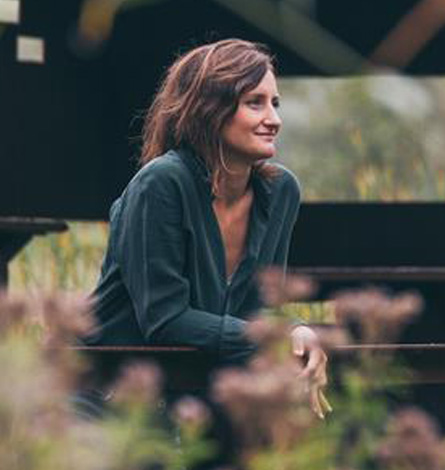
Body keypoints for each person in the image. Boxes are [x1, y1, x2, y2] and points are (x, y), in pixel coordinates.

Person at [84, 38, 328, 416]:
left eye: (275, 103)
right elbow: (166, 319)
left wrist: (296, 330)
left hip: (189, 394)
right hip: (102, 396)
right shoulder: (163, 183)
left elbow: (258, 309)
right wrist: (274, 337)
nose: (274, 119)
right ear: (209, 110)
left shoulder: (280, 192)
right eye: (254, 102)